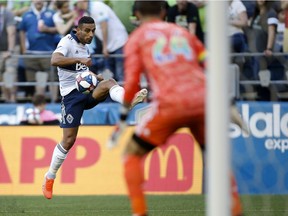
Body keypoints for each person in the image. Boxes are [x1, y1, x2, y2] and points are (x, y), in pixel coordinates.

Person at [108, 1, 242, 215]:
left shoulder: (137, 38)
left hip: (171, 103)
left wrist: (123, 117)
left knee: (131, 154)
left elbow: (132, 82)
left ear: (136, 14)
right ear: (163, 11)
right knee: (215, 158)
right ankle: (235, 209)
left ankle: (140, 212)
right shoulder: (182, 33)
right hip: (202, 101)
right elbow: (210, 63)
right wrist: (228, 101)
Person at [41, 16, 147, 200]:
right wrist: (79, 60)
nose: (91, 34)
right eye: (88, 31)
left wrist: (95, 76)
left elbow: (83, 73)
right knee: (68, 141)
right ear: (78, 30)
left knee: (109, 82)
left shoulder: (85, 47)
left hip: (86, 92)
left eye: (93, 31)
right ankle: (50, 177)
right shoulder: (66, 42)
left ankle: (127, 101)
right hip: (71, 98)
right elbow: (54, 60)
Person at [19, 0, 59, 101]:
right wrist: (23, 48)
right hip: (31, 53)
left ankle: (54, 105)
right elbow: (22, 31)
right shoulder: (26, 15)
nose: (38, 1)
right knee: (37, 81)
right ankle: (39, 106)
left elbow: (60, 29)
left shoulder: (52, 13)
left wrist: (47, 29)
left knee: (52, 79)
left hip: (48, 53)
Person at [89, 1, 128, 83]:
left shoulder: (97, 6)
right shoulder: (89, 10)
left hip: (118, 43)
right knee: (112, 76)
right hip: (110, 46)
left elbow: (104, 26)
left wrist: (105, 46)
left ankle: (124, 95)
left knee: (120, 74)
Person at [0, 1, 17, 103]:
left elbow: (12, 33)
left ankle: (12, 100)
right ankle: (6, 99)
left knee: (9, 73)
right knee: (1, 76)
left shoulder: (8, 14)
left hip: (11, 48)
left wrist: (10, 51)